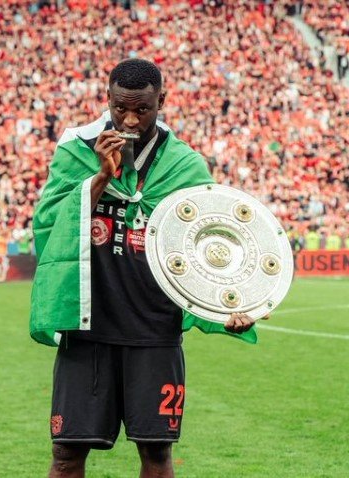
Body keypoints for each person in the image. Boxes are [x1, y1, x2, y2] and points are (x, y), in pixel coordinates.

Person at [30, 59, 258, 478]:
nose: (130, 120)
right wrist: (102, 176)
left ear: (161, 102)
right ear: (108, 100)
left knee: (156, 455)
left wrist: (232, 303)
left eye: (142, 109)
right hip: (87, 327)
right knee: (66, 455)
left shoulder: (184, 166)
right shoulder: (77, 150)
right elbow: (49, 227)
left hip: (154, 332)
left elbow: (212, 241)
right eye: (120, 108)